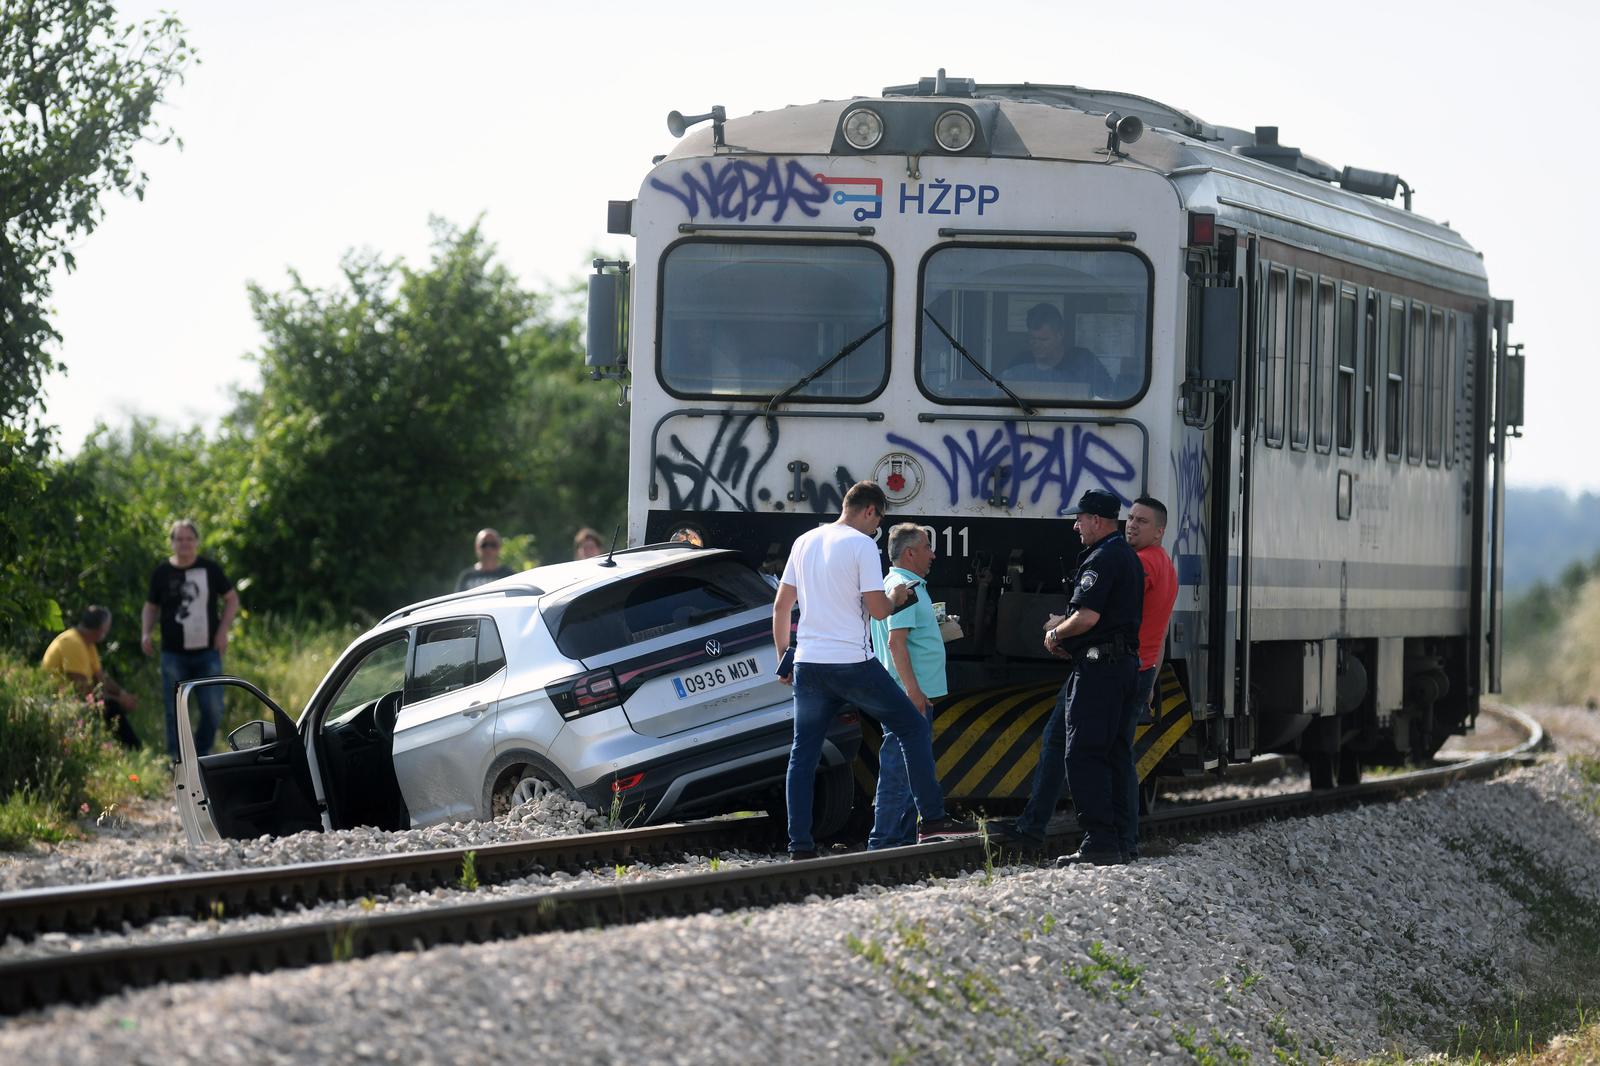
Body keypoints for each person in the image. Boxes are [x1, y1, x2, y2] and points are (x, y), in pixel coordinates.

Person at [772, 481, 975, 859]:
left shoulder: (804, 541)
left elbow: (782, 607)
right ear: (869, 511)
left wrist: (784, 656)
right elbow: (880, 610)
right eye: (878, 519)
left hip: (809, 666)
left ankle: (799, 844)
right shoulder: (862, 545)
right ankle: (932, 819)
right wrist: (897, 597)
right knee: (913, 726)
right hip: (851, 663)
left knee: (803, 754)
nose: (877, 528)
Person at [866, 524, 946, 850]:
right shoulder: (906, 587)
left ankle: (898, 841)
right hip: (909, 694)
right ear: (910, 553)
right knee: (900, 770)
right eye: (928, 547)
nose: (933, 554)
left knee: (909, 768)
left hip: (906, 691)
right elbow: (896, 643)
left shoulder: (894, 585)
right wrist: (914, 693)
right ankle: (883, 842)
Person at [141, 519, 239, 761]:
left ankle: (202, 753)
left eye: (189, 539)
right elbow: (151, 606)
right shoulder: (162, 572)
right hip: (173, 653)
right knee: (174, 709)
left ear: (196, 542)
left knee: (213, 708)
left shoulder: (210, 569)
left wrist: (223, 630)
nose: (184, 544)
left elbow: (232, 599)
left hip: (207, 651)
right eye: (179, 539)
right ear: (172, 542)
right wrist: (145, 632)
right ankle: (178, 758)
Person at [1119, 495, 1179, 859]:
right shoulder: (1165, 564)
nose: (1132, 524)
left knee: (1114, 755)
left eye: (1142, 521)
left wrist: (1061, 628)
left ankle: (1120, 838)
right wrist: (1153, 678)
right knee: (1119, 753)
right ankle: (1125, 836)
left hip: (1126, 669)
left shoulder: (1141, 565)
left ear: (1159, 531)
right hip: (1142, 669)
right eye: (1130, 518)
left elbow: (1108, 613)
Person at [41, 605, 141, 748]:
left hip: (70, 698)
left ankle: (130, 749)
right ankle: (133, 749)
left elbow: (102, 678)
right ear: (100, 628)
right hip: (54, 700)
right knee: (110, 707)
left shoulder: (87, 644)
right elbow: (82, 690)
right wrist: (119, 700)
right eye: (107, 627)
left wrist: (123, 694)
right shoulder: (73, 643)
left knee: (111, 704)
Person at [1005, 303, 1115, 397]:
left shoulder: (1084, 362)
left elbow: (1108, 394)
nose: (1037, 345)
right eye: (1032, 339)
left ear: (1060, 335)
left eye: (1043, 339)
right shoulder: (1019, 364)